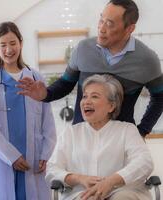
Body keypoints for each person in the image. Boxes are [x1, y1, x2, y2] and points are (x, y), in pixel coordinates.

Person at [18, 0, 163, 137]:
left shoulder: (147, 60)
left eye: (110, 24)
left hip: (121, 145)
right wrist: (45, 94)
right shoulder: (83, 49)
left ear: (130, 28)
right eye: (101, 20)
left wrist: (142, 130)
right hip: (81, 141)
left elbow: (160, 97)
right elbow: (66, 83)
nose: (101, 28)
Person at [0, 21, 56, 200]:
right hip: (3, 160)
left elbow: (48, 120)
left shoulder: (36, 78)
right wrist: (11, 156)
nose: (8, 49)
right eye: (3, 45)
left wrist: (46, 153)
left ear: (21, 43)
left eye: (13, 43)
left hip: (34, 158)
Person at [46, 74, 154, 200]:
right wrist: (78, 178)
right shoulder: (71, 133)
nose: (86, 101)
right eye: (84, 96)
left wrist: (111, 181)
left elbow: (144, 162)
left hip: (123, 191)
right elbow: (52, 169)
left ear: (111, 106)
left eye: (95, 96)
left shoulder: (127, 130)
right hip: (82, 193)